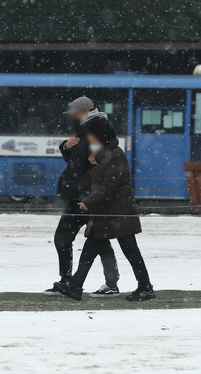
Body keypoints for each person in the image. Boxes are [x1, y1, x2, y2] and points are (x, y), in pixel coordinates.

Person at [56, 116, 155, 302]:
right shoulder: (106, 154)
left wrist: (88, 201)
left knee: (130, 251)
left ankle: (145, 287)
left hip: (118, 214)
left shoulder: (115, 155)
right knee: (92, 248)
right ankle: (75, 286)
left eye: (91, 135)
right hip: (108, 213)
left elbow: (109, 186)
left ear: (99, 135)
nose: (89, 139)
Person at [44, 96, 120, 298]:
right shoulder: (87, 129)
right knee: (76, 238)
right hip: (81, 195)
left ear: (85, 111)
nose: (73, 117)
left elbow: (96, 164)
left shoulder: (97, 129)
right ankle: (70, 280)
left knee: (87, 238)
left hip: (88, 196)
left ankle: (96, 283)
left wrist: (89, 191)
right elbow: (80, 160)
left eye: (75, 113)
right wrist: (65, 147)